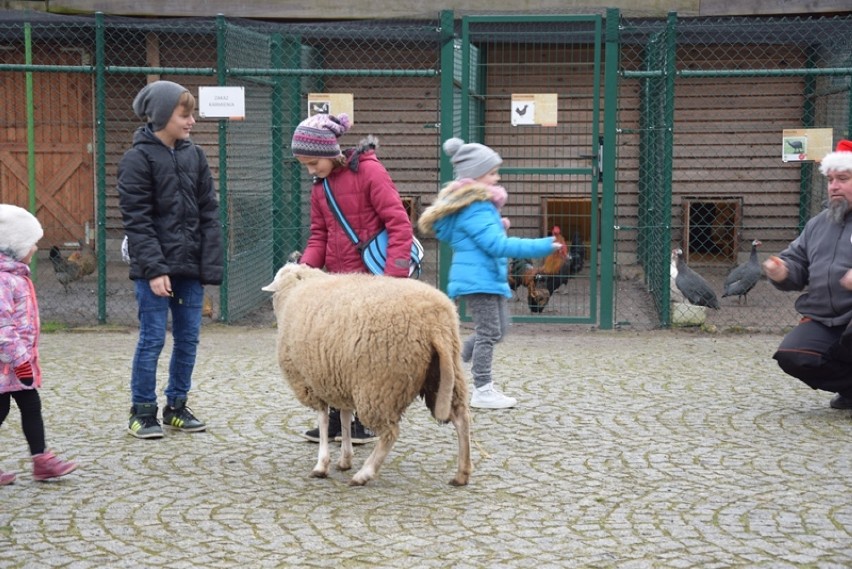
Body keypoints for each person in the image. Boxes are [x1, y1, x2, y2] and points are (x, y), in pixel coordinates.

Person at [290, 112, 414, 443]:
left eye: (313, 163)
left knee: (368, 354)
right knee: (333, 352)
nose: (310, 170)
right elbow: (319, 235)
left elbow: (399, 225)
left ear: (330, 151)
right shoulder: (321, 187)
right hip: (339, 283)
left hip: (374, 280)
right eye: (305, 165)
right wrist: (303, 272)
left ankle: (366, 418)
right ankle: (334, 419)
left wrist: (392, 280)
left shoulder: (370, 172)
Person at [418, 138, 561, 409]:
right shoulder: (477, 207)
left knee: (499, 330)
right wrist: (542, 245)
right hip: (478, 280)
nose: (497, 177)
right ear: (475, 176)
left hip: (486, 278)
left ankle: (450, 361)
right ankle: (482, 388)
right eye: (492, 172)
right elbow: (497, 245)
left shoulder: (478, 206)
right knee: (488, 332)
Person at [117, 80, 224, 439]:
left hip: (190, 268)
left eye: (192, 113)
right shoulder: (137, 159)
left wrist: (207, 263)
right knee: (152, 339)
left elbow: (209, 211)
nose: (192, 120)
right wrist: (155, 269)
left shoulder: (195, 155)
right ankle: (142, 410)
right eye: (185, 114)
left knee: (188, 338)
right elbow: (138, 220)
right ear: (163, 116)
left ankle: (176, 407)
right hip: (155, 270)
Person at [764, 139, 852, 410]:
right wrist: (782, 270)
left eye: (843, 178)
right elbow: (796, 261)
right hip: (825, 316)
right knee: (793, 355)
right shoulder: (818, 224)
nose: (834, 186)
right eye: (830, 179)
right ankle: (849, 388)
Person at [0, 204, 79, 484]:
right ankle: (41, 459)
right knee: (2, 409)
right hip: (9, 364)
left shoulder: (16, 276)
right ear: (14, 247)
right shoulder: (3, 281)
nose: (35, 249)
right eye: (32, 244)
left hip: (16, 364)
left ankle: (41, 460)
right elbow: (3, 328)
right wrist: (21, 360)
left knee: (31, 406)